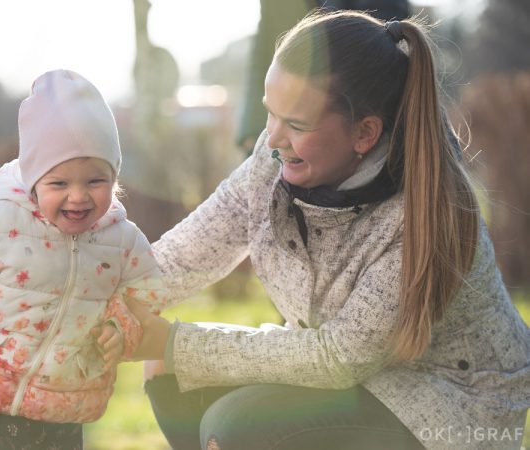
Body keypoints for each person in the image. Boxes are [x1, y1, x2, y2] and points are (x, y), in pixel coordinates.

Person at [120, 10, 529, 450]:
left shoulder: (424, 211)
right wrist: (102, 302)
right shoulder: (278, 155)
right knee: (168, 373)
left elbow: (338, 357)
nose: (273, 139)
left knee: (239, 425)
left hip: (448, 407)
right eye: (270, 115)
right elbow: (197, 245)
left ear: (365, 133)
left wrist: (176, 343)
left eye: (296, 124)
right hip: (361, 374)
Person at [0, 69, 167, 450]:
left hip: (66, 402)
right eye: (59, 184)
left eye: (94, 181)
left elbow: (147, 293)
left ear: (115, 177)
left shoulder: (122, 241)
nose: (78, 197)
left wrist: (121, 326)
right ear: (33, 181)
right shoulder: (1, 223)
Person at [237, 0, 410, 154]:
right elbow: (264, 44)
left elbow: (379, 43)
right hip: (286, 113)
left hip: (341, 110)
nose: (270, 142)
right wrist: (251, 128)